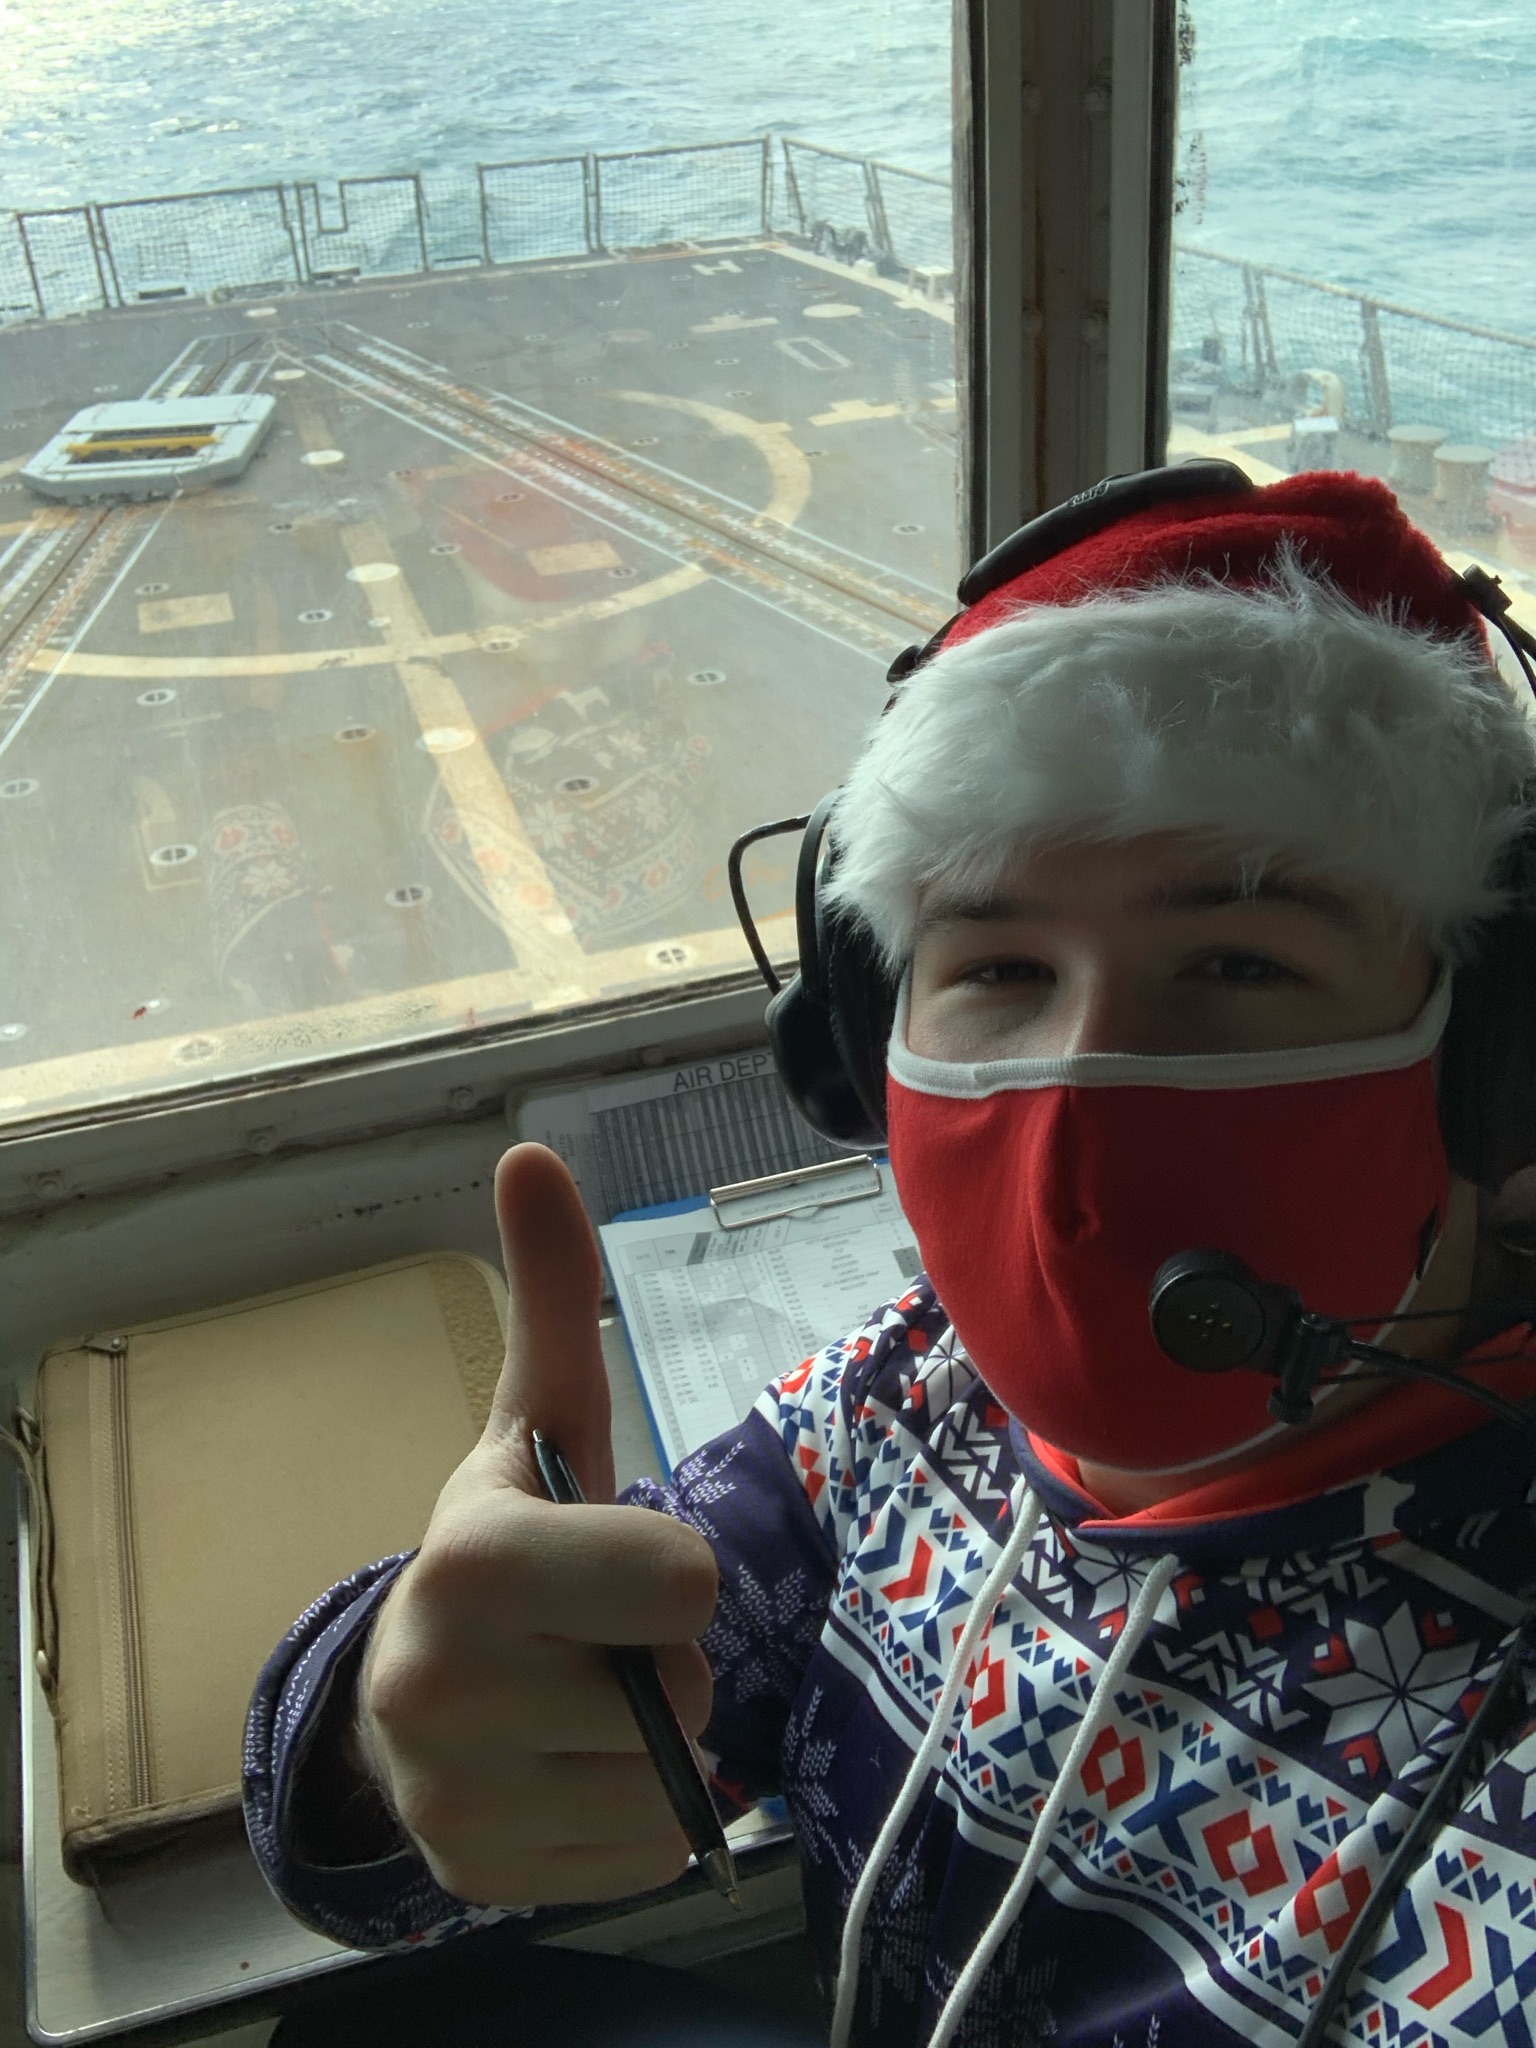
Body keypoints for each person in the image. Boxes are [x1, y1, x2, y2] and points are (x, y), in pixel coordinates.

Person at [245, 470, 1536, 2048]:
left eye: (1241, 961)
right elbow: (417, 1838)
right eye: (999, 965)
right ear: (867, 1045)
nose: (1075, 1106)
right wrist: (392, 1726)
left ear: (1500, 1062)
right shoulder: (908, 1395)